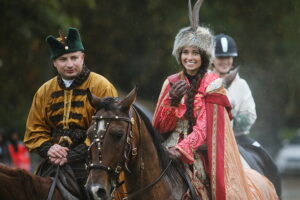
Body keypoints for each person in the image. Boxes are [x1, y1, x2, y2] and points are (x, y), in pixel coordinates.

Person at [152, 0, 278, 199]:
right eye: (185, 52)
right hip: (167, 149)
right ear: (179, 55)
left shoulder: (213, 85)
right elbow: (159, 126)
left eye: (195, 53)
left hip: (200, 153)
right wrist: (172, 103)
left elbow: (205, 128)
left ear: (203, 56)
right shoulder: (170, 82)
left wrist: (182, 149)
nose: (189, 57)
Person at [23, 27, 118, 200]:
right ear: (54, 62)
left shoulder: (102, 86)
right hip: (52, 161)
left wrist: (71, 155)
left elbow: (108, 130)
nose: (69, 64)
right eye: (63, 59)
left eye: (74, 58)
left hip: (92, 163)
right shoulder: (45, 91)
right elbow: (34, 131)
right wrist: (49, 149)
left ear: (82, 57)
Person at [211, 33, 281, 197]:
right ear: (212, 58)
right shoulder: (204, 81)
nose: (225, 61)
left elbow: (250, 116)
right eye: (220, 57)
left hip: (237, 138)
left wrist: (230, 118)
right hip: (208, 138)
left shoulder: (241, 85)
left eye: (228, 57)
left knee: (267, 160)